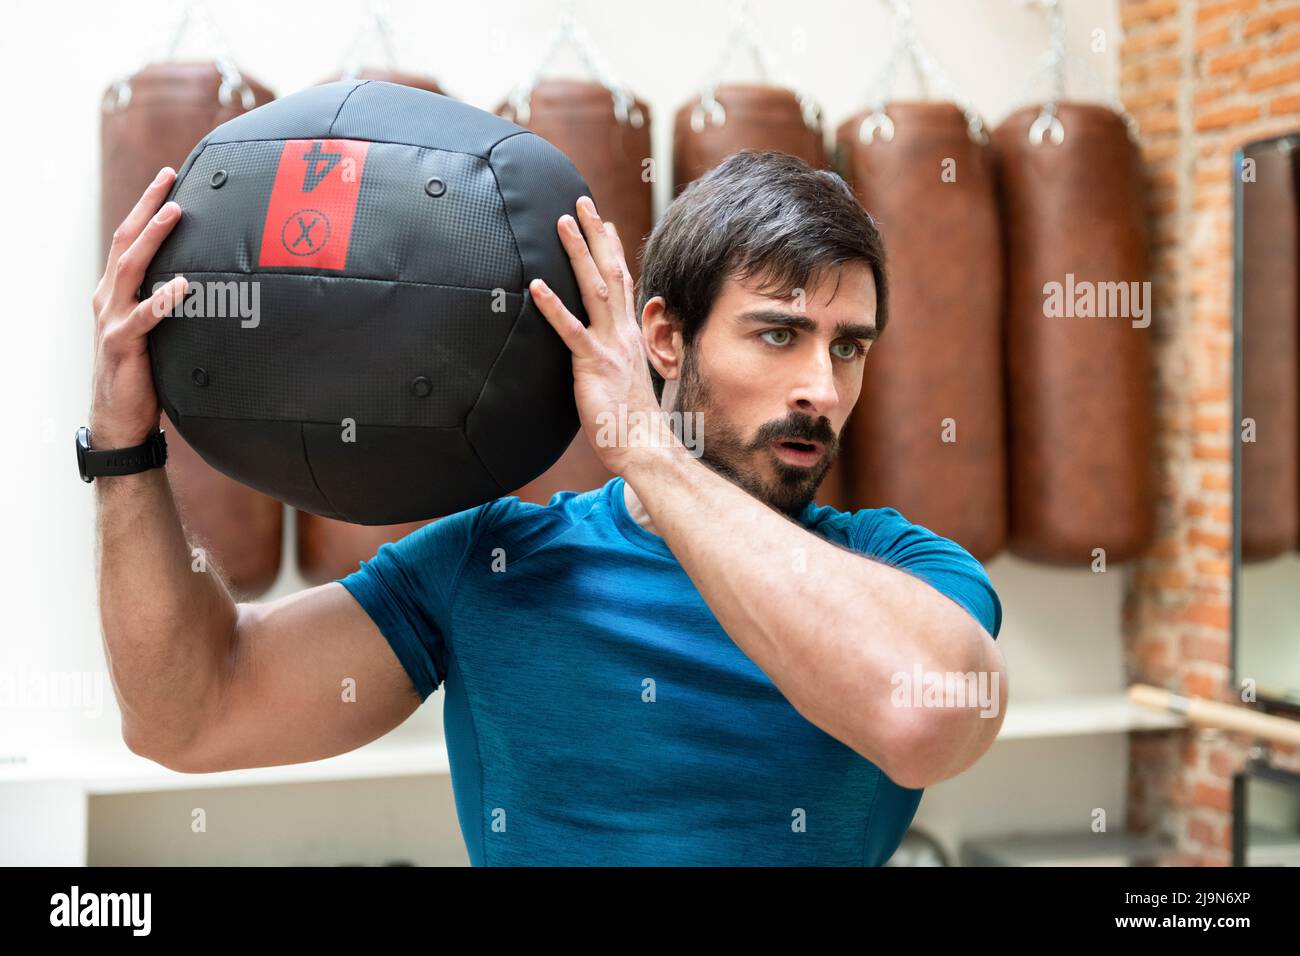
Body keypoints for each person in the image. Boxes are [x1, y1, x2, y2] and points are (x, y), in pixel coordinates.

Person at [90, 149, 1006, 866]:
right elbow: (188, 717)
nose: (820, 387)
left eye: (849, 349)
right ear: (663, 338)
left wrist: (647, 452)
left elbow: (922, 719)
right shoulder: (492, 562)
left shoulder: (903, 571)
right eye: (779, 334)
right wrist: (124, 447)